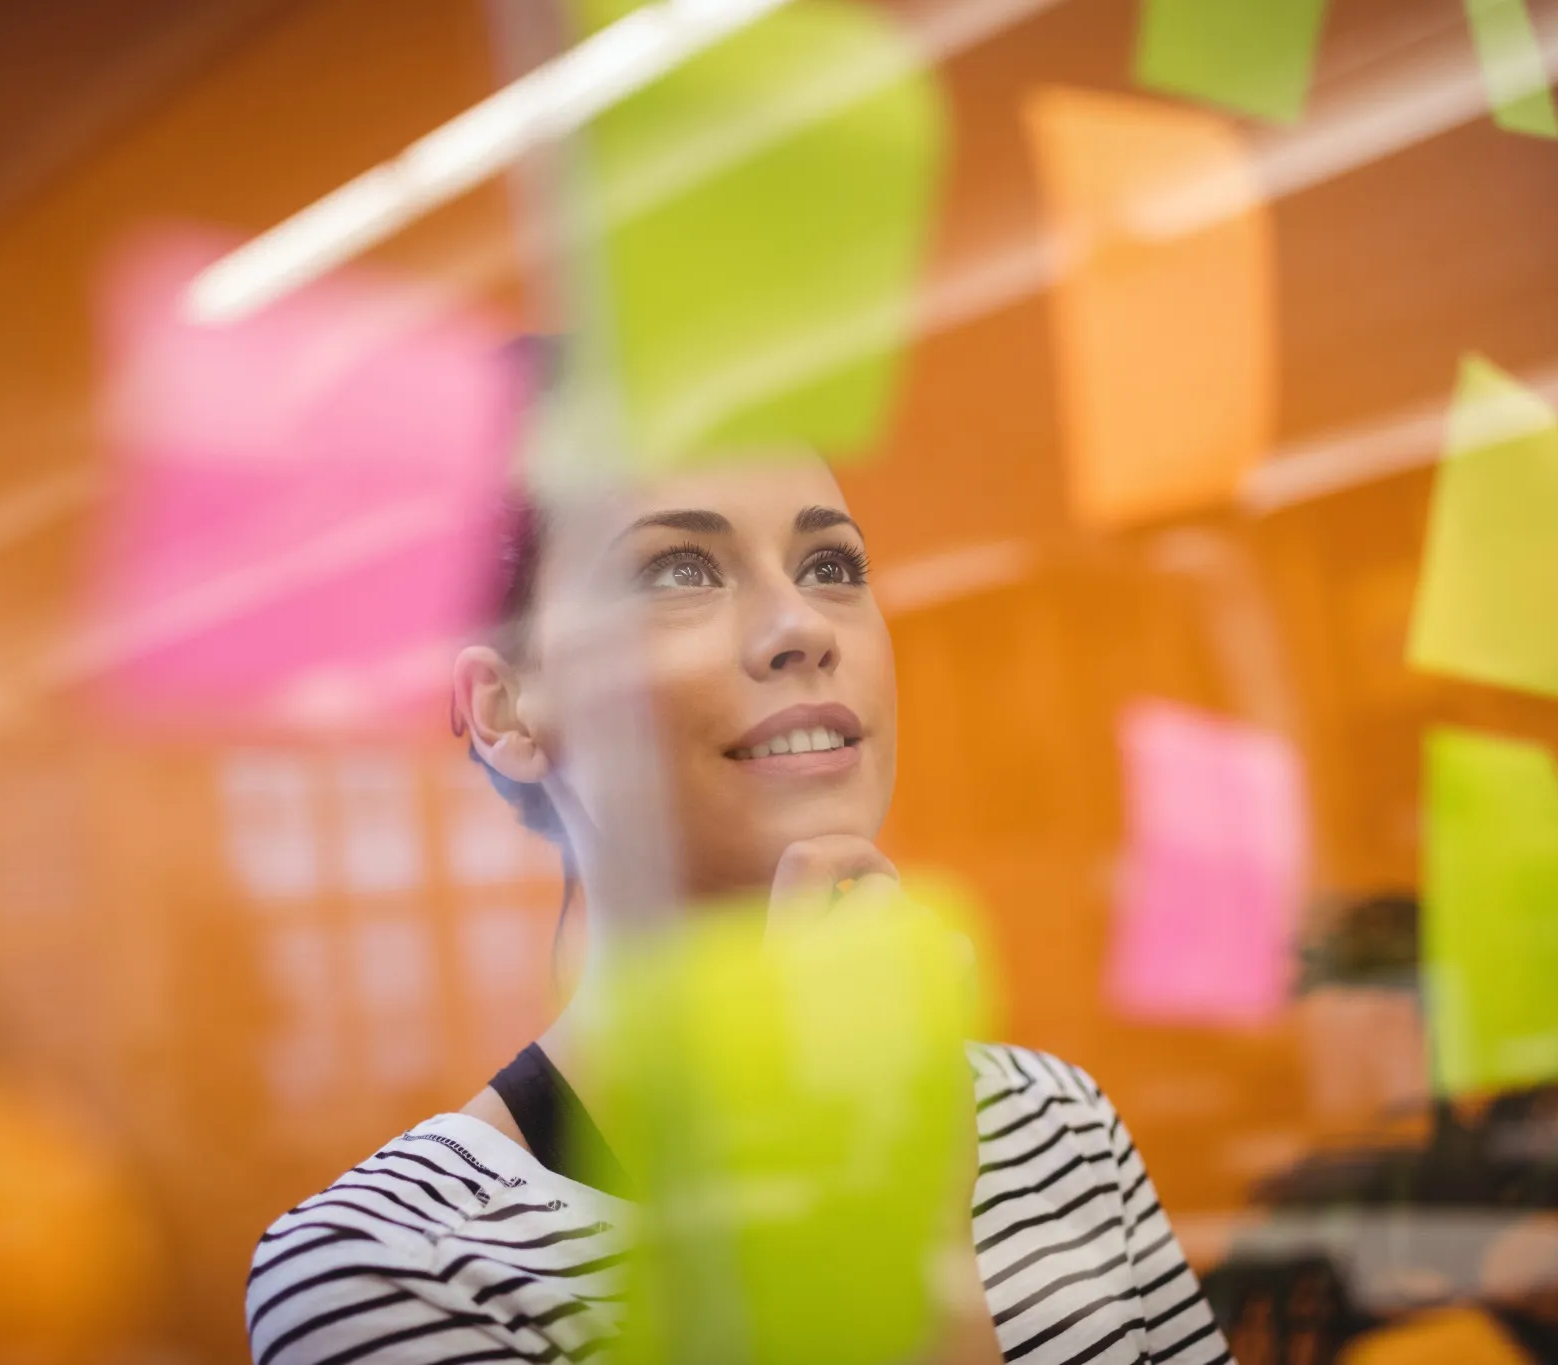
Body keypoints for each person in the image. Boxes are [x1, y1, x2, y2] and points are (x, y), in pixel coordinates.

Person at [245, 449, 1233, 1365]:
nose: (802, 625)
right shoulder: (393, 1267)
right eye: (676, 571)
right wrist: (891, 1238)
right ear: (508, 710)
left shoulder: (1057, 1123)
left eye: (832, 566)